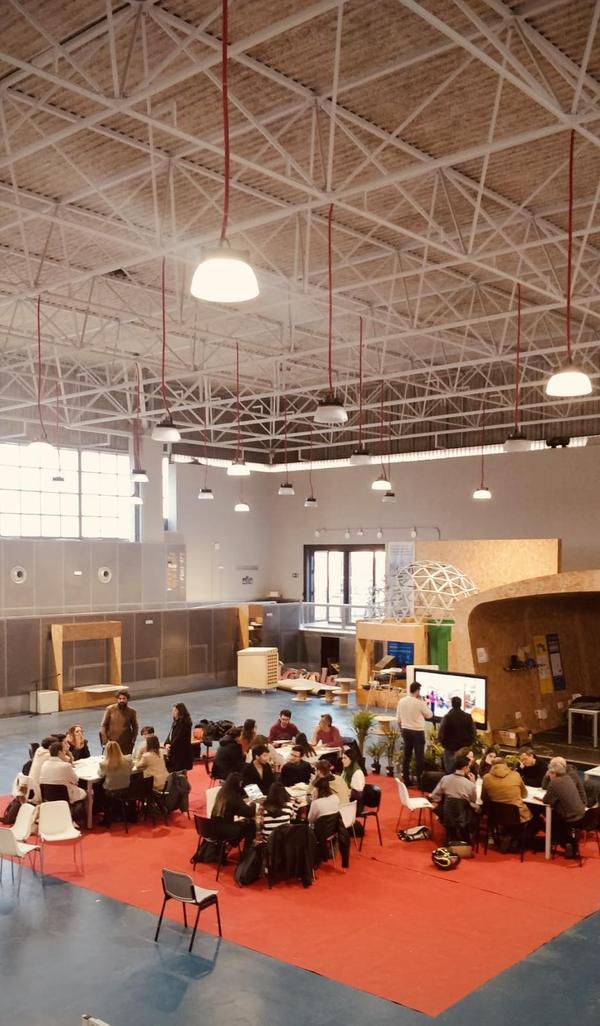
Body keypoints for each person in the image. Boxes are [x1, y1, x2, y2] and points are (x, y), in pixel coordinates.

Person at [544, 756, 586, 853]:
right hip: (581, 814)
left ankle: (567, 842)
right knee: (554, 816)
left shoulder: (555, 783)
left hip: (572, 817)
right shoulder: (567, 778)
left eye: (550, 773)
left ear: (554, 773)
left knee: (553, 820)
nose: (548, 775)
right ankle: (566, 842)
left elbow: (547, 801)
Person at [396, 681, 433, 789]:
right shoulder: (419, 703)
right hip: (417, 732)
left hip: (405, 730)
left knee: (406, 756)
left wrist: (401, 730)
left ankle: (406, 780)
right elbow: (429, 715)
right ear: (417, 691)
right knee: (419, 757)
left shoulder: (402, 701)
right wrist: (425, 703)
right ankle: (420, 783)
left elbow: (398, 719)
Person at [481, 756, 532, 823]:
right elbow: (524, 795)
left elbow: (484, 798)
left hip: (495, 815)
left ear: (492, 766)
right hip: (517, 816)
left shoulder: (486, 778)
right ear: (505, 764)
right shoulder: (516, 775)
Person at [211, 772, 256, 845]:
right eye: (240, 783)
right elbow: (250, 813)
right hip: (225, 829)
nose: (241, 785)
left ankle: (229, 845)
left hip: (212, 826)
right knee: (250, 825)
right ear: (236, 784)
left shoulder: (223, 791)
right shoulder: (233, 797)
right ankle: (244, 848)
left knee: (243, 822)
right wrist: (253, 804)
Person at [39, 740, 87, 805]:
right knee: (87, 792)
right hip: (66, 796)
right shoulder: (65, 766)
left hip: (48, 796)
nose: (65, 753)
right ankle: (87, 811)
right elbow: (76, 781)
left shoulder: (44, 764)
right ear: (59, 752)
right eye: (64, 751)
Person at [438, 696, 476, 773]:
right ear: (460, 704)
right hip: (464, 748)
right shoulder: (468, 717)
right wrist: (469, 744)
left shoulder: (447, 717)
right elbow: (473, 732)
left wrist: (443, 743)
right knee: (463, 770)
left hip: (450, 748)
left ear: (452, 704)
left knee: (450, 771)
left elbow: (441, 732)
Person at [100, 689, 138, 755]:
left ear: (127, 699)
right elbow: (103, 725)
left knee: (126, 759)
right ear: (117, 699)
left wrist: (133, 739)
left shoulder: (132, 711)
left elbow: (135, 726)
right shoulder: (110, 709)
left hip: (126, 743)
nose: (121, 700)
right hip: (112, 742)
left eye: (124, 698)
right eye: (120, 698)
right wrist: (105, 741)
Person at [164, 703, 193, 772]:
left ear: (180, 711)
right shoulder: (175, 722)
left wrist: (170, 746)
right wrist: (167, 743)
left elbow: (179, 738)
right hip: (174, 751)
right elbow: (170, 734)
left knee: (180, 772)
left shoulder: (185, 723)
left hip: (181, 753)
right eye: (173, 710)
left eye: (175, 710)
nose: (173, 712)